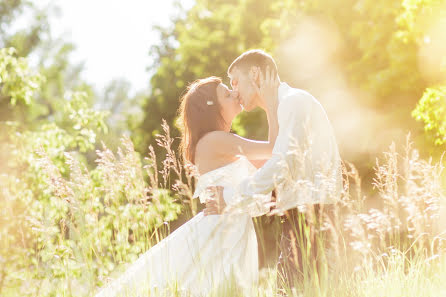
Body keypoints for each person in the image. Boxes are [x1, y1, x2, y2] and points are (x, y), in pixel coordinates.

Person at [94, 72, 279, 297]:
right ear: (213, 108)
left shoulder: (222, 142)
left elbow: (270, 164)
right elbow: (273, 148)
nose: (235, 94)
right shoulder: (215, 140)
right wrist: (270, 102)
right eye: (227, 94)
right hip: (222, 231)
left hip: (232, 227)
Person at [204, 49, 343, 289]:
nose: (234, 90)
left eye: (235, 81)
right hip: (299, 221)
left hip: (314, 218)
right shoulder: (284, 107)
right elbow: (277, 182)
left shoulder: (294, 102)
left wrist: (229, 197)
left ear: (256, 74)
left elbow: (280, 166)